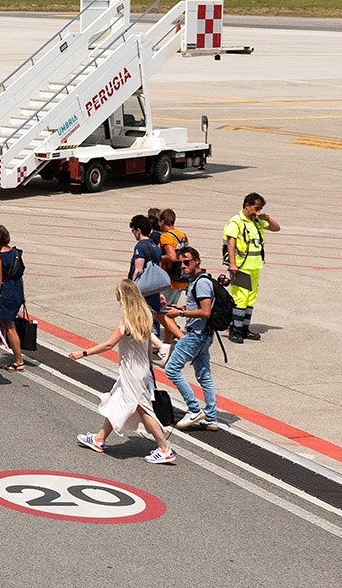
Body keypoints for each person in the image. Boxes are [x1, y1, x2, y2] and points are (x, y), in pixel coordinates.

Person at [72, 279, 181, 463]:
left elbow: (109, 344)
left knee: (143, 409)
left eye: (117, 292)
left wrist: (83, 353)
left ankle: (164, 448)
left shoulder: (127, 320)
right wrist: (149, 367)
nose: (115, 295)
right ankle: (99, 439)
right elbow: (147, 346)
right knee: (117, 400)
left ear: (122, 296)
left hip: (132, 371)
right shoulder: (145, 316)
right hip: (141, 370)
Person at [162, 245, 224, 430]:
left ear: (197, 261)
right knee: (204, 375)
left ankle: (194, 408)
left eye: (187, 262)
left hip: (196, 336)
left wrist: (181, 315)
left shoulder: (202, 283)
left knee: (172, 370)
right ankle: (211, 417)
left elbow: (205, 312)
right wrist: (180, 309)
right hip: (203, 335)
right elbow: (197, 307)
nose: (183, 266)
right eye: (180, 263)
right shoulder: (197, 281)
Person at [222, 192, 280, 342]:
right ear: (246, 206)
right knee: (240, 298)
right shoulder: (236, 222)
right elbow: (231, 243)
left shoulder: (256, 221)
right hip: (241, 267)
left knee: (250, 299)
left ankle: (244, 329)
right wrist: (233, 264)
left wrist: (266, 218)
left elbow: (276, 228)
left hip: (254, 266)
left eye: (260, 208)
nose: (258, 211)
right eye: (256, 208)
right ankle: (235, 329)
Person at [0, 223, 27, 373]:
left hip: (6, 294)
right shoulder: (16, 253)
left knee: (9, 326)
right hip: (16, 291)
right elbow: (20, 275)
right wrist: (22, 295)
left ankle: (19, 361)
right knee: (2, 324)